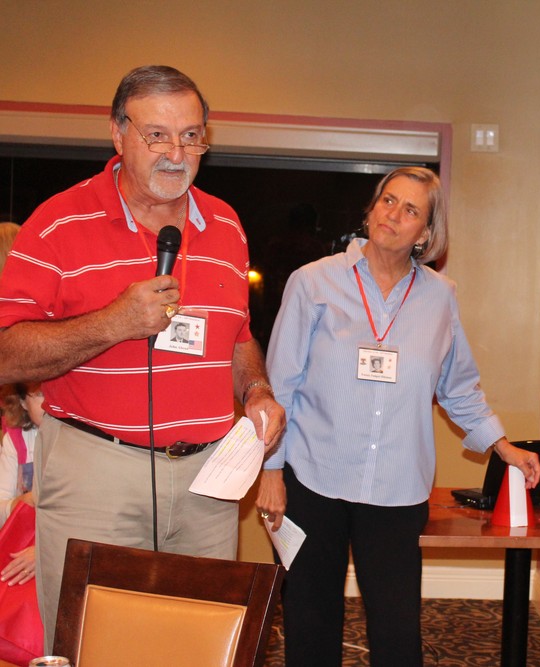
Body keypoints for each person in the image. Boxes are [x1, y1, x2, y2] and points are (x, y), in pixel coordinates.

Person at [0, 65, 285, 650]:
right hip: (97, 473)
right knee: (91, 645)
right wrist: (115, 322)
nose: (176, 154)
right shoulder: (57, 223)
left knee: (198, 642)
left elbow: (237, 337)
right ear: (118, 133)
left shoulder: (226, 224)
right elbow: (6, 354)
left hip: (208, 483)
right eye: (157, 135)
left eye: (191, 136)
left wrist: (256, 389)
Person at [256, 166, 540, 667]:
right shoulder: (313, 282)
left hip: (396, 488)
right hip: (313, 479)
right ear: (371, 208)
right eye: (387, 200)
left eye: (410, 210)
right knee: (309, 624)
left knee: (397, 633)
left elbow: (457, 386)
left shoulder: (440, 296)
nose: (393, 214)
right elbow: (281, 386)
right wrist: (271, 472)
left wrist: (503, 446)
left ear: (426, 233)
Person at [0, 382, 43, 586]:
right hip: (24, 541)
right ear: (23, 402)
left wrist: (44, 550)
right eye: (40, 394)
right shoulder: (16, 440)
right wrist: (20, 502)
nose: (50, 403)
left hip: (60, 546)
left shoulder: (80, 437)